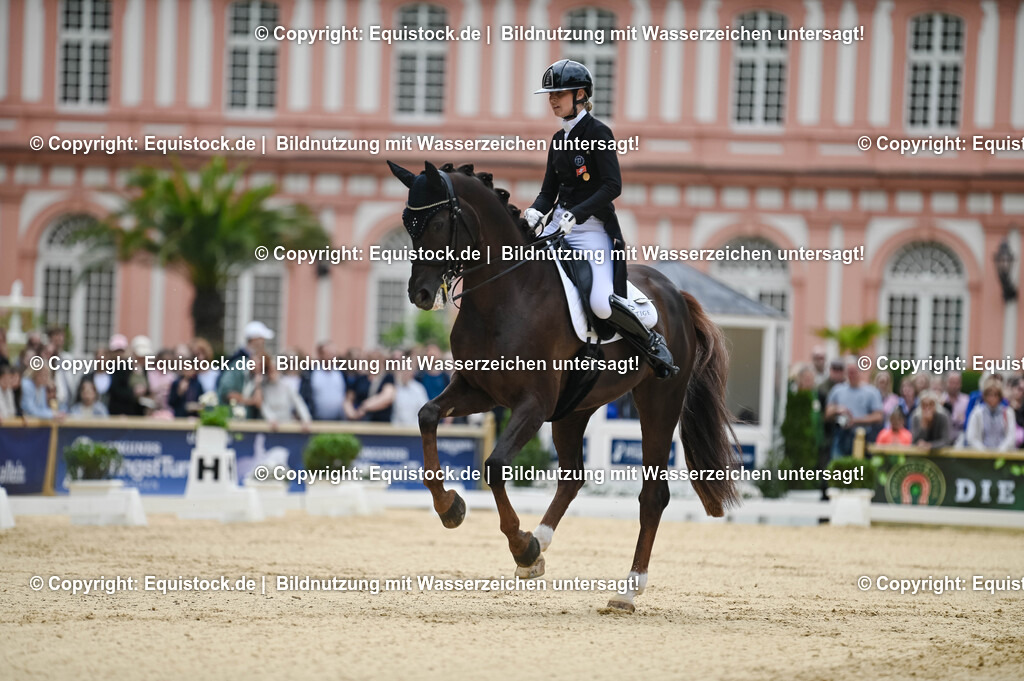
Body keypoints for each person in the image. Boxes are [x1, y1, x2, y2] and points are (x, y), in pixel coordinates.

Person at [523, 59, 676, 378]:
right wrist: (536, 211)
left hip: (592, 229)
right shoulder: (558, 140)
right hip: (557, 226)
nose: (552, 99)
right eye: (550, 95)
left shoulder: (599, 132)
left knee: (601, 303)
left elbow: (612, 186)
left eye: (559, 93)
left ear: (580, 95)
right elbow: (548, 191)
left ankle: (651, 342)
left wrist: (577, 214)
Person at [825, 357, 883, 458]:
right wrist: (837, 409)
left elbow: (878, 416)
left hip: (862, 435)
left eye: (854, 372)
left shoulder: (871, 392)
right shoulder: (837, 390)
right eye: (849, 372)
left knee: (859, 467)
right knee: (838, 466)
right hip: (841, 435)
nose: (851, 375)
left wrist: (855, 420)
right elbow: (827, 413)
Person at [243, 354, 311, 428]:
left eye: (274, 370)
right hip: (269, 426)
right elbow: (263, 405)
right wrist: (271, 419)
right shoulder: (262, 386)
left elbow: (298, 402)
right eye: (269, 370)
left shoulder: (286, 385)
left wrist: (305, 419)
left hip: (286, 424)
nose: (272, 373)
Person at [965, 378, 1016, 452]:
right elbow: (971, 437)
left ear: (1000, 397)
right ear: (984, 396)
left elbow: (1011, 437)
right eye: (989, 395)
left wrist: (1000, 450)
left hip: (1003, 455)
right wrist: (984, 451)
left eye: (995, 395)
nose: (992, 398)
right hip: (981, 456)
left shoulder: (1008, 412)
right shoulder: (977, 413)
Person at [392, 355, 429, 427]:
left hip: (414, 430)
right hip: (395, 430)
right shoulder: (394, 387)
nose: (406, 372)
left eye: (408, 370)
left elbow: (425, 411)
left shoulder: (418, 389)